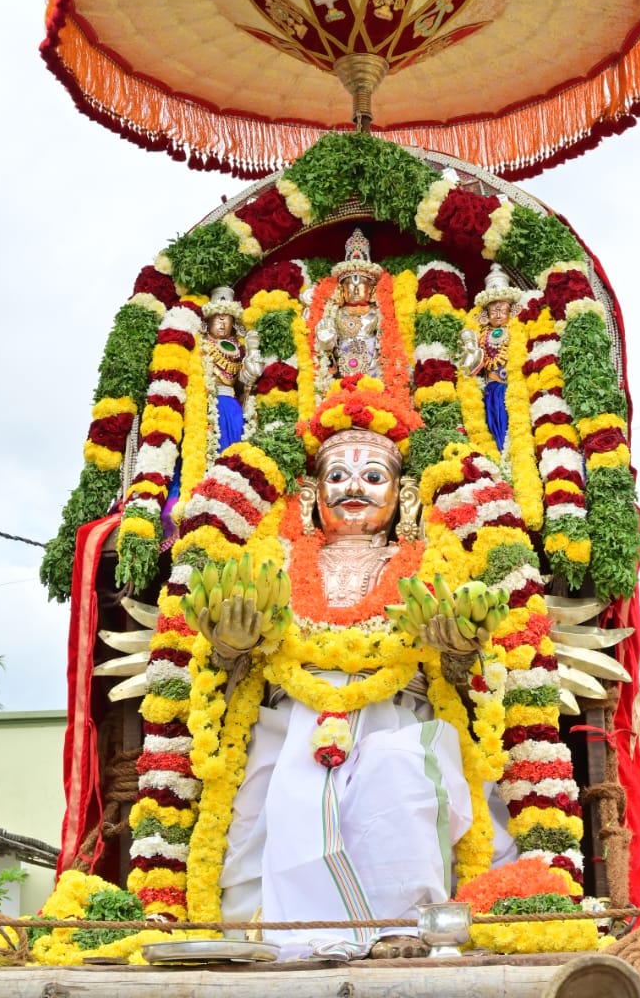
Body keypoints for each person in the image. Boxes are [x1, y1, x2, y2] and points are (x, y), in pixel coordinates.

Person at [197, 426, 511, 958]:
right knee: (282, 798)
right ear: (309, 496)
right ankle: (291, 940)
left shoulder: (430, 566)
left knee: (402, 775)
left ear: (404, 496)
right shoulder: (274, 566)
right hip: (292, 719)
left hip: (395, 711)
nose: (353, 488)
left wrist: (458, 650)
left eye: (372, 476)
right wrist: (230, 647)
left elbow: (468, 679)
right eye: (337, 476)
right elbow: (230, 670)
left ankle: (404, 931)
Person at [161, 285, 263, 544]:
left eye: (226, 317)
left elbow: (243, 385)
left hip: (231, 408)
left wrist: (251, 365)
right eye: (217, 316)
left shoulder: (239, 347)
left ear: (233, 321)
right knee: (197, 460)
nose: (221, 321)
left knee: (232, 459)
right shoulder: (199, 343)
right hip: (202, 407)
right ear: (207, 319)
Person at [315, 229, 383, 385]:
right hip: (341, 379)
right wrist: (326, 340)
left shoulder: (380, 313)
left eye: (362, 285)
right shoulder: (334, 313)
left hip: (374, 377)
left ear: (372, 290)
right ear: (341, 290)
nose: (356, 290)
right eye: (350, 285)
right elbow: (325, 351)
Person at [470, 266, 521, 452]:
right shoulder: (480, 334)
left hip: (514, 389)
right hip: (490, 391)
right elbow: (472, 367)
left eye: (502, 309)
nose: (498, 314)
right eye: (493, 310)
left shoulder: (518, 331)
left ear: (512, 311)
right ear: (485, 314)